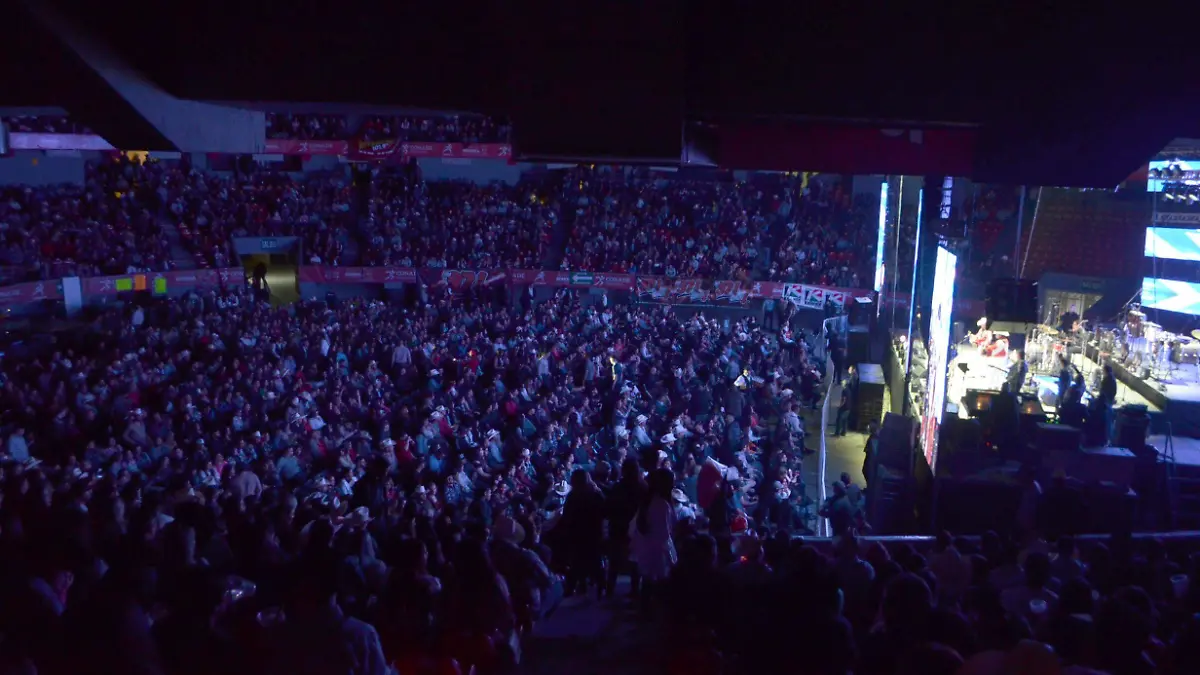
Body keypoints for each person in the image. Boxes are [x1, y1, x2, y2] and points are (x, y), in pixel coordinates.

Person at [629, 468, 677, 614]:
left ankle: (645, 613)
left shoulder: (648, 501)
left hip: (647, 549)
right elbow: (663, 533)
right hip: (659, 551)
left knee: (647, 584)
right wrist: (671, 555)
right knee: (659, 586)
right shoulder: (661, 504)